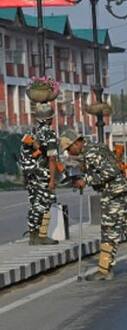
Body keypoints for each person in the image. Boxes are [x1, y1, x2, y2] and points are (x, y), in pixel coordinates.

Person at [61, 130, 127, 280]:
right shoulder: (96, 147)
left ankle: (104, 270)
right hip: (120, 190)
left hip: (112, 193)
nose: (69, 152)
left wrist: (86, 181)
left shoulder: (91, 152)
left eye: (69, 148)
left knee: (109, 230)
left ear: (77, 143)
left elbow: (111, 171)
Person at [19, 104, 59, 245]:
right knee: (42, 204)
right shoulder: (49, 133)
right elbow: (52, 158)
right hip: (42, 173)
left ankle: (34, 234)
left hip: (30, 173)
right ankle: (37, 236)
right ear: (50, 119)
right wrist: (52, 180)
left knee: (34, 202)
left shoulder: (32, 132)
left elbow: (24, 153)